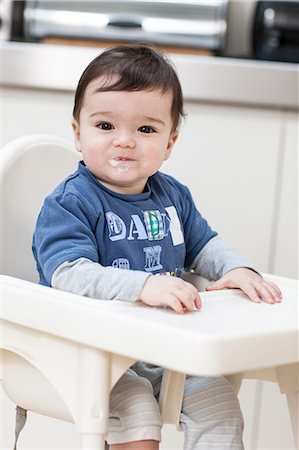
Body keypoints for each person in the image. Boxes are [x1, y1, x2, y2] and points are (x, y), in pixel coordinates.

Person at [32, 45, 282, 450]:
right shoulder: (70, 203)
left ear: (170, 142)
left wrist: (237, 269)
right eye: (105, 126)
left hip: (164, 350)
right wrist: (142, 286)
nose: (125, 142)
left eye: (146, 130)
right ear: (78, 133)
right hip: (93, 355)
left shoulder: (173, 196)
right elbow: (68, 272)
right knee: (137, 412)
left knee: (220, 402)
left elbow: (205, 245)